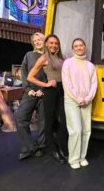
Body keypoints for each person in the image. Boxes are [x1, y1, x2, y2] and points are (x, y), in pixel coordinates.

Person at [27, 34, 68, 164]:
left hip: (63, 90)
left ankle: (62, 147)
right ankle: (53, 149)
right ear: (46, 44)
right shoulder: (44, 58)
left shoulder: (63, 58)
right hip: (51, 91)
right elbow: (30, 77)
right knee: (49, 121)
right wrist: (45, 84)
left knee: (65, 121)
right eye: (51, 43)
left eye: (56, 43)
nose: (53, 45)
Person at [62, 38, 97, 170]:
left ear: (85, 47)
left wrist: (87, 98)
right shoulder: (68, 63)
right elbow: (67, 84)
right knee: (75, 130)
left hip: (87, 101)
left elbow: (94, 84)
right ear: (73, 49)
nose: (78, 47)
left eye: (81, 45)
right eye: (76, 46)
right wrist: (78, 99)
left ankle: (82, 157)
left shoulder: (90, 66)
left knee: (86, 131)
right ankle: (73, 159)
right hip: (72, 101)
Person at [15, 32, 47, 160]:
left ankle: (41, 146)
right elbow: (23, 73)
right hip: (30, 92)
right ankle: (29, 146)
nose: (38, 41)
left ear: (44, 40)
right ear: (33, 43)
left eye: (40, 39)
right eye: (35, 40)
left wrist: (43, 89)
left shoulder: (49, 56)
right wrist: (27, 89)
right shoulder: (28, 55)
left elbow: (52, 75)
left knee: (43, 121)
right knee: (20, 117)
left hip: (44, 92)